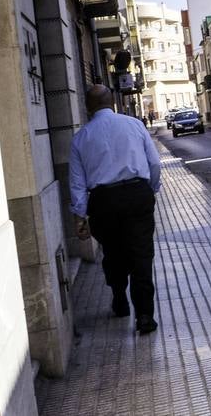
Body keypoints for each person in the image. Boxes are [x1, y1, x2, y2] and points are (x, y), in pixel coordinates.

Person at [69, 85, 163, 334]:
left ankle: (119, 295)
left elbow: (77, 183)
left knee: (113, 252)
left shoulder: (80, 138)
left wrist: (80, 216)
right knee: (142, 256)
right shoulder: (134, 125)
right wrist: (151, 189)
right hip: (137, 195)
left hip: (103, 202)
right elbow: (154, 163)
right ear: (112, 102)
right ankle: (144, 316)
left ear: (88, 107)